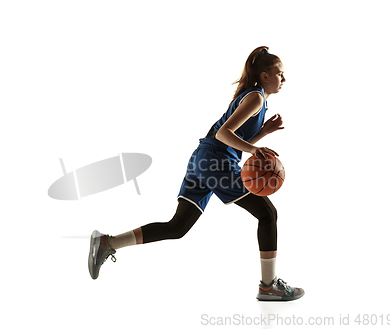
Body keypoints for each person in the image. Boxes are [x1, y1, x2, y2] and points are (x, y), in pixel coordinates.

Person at [88, 46, 304, 301]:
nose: (284, 79)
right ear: (265, 75)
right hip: (216, 162)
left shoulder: (255, 99)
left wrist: (263, 133)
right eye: (280, 73)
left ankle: (107, 243)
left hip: (203, 160)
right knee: (267, 214)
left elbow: (229, 139)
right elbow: (225, 134)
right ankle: (269, 287)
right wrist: (255, 148)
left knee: (177, 226)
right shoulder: (256, 98)